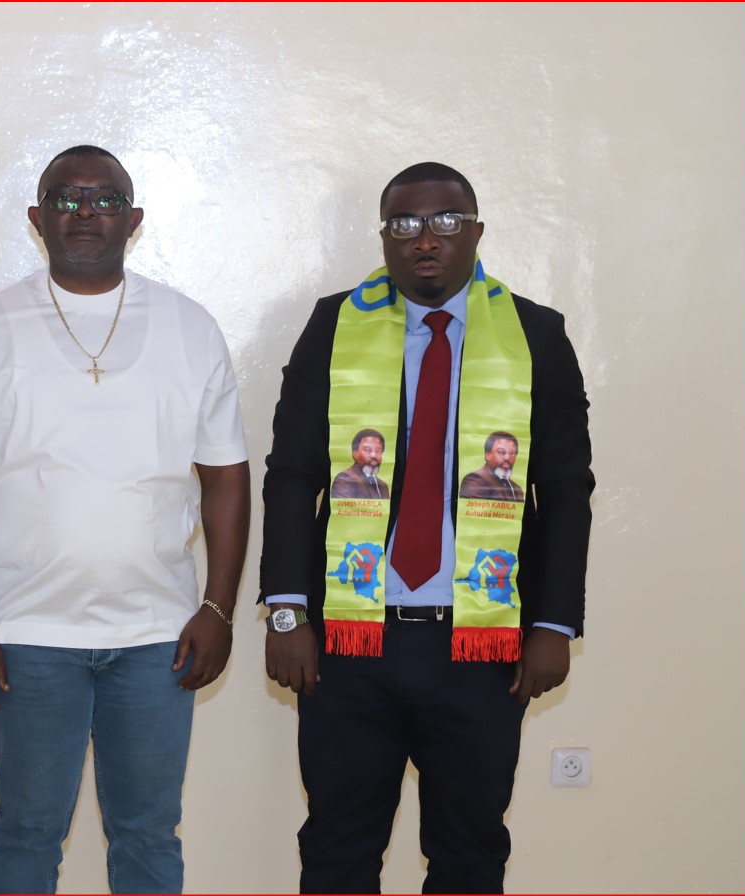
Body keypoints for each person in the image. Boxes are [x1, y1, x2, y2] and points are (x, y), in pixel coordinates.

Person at [0, 145, 250, 894]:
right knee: (27, 833)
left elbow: (226, 477)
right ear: (36, 218)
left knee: (148, 835)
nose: (85, 212)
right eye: (65, 199)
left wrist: (219, 608)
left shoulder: (190, 327)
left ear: (134, 219)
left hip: (159, 634)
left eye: (104, 199)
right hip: (26, 633)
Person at [260, 163, 593, 893]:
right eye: (405, 224)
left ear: (476, 231)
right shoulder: (334, 325)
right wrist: (287, 611)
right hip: (349, 643)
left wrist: (553, 625)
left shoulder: (536, 334)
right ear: (385, 238)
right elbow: (291, 473)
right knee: (338, 849)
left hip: (481, 643)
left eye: (446, 221)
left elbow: (567, 489)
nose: (426, 239)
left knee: (470, 853)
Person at [460, 431, 526, 502]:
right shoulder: (475, 480)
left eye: (512, 453)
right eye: (501, 452)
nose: (507, 458)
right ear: (487, 455)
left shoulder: (517, 489)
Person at [330, 428, 390, 499]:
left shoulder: (383, 486)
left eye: (378, 451)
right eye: (367, 450)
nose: (374, 455)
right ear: (355, 454)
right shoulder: (346, 478)